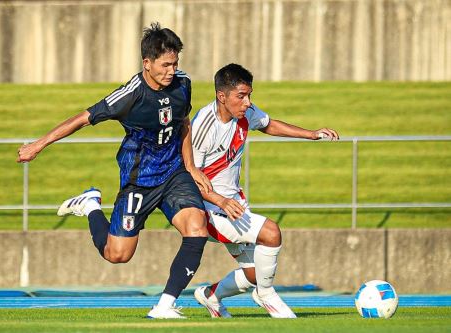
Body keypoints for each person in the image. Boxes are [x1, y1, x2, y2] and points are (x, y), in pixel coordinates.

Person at [17, 23, 212, 319]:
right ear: (147, 63)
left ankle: (164, 306)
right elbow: (83, 118)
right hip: (139, 180)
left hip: (174, 174)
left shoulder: (183, 84)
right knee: (117, 254)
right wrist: (39, 144)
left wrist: (191, 166)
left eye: (175, 63)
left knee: (197, 228)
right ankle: (91, 205)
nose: (172, 70)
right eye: (165, 64)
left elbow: (183, 123)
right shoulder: (130, 94)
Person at [191, 63, 339, 318]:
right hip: (210, 210)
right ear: (221, 96)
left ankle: (210, 295)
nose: (247, 102)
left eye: (249, 95)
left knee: (253, 274)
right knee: (271, 233)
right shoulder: (204, 125)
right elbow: (189, 176)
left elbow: (268, 124)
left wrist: (311, 134)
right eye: (242, 96)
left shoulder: (244, 113)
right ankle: (266, 295)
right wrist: (221, 201)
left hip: (234, 205)